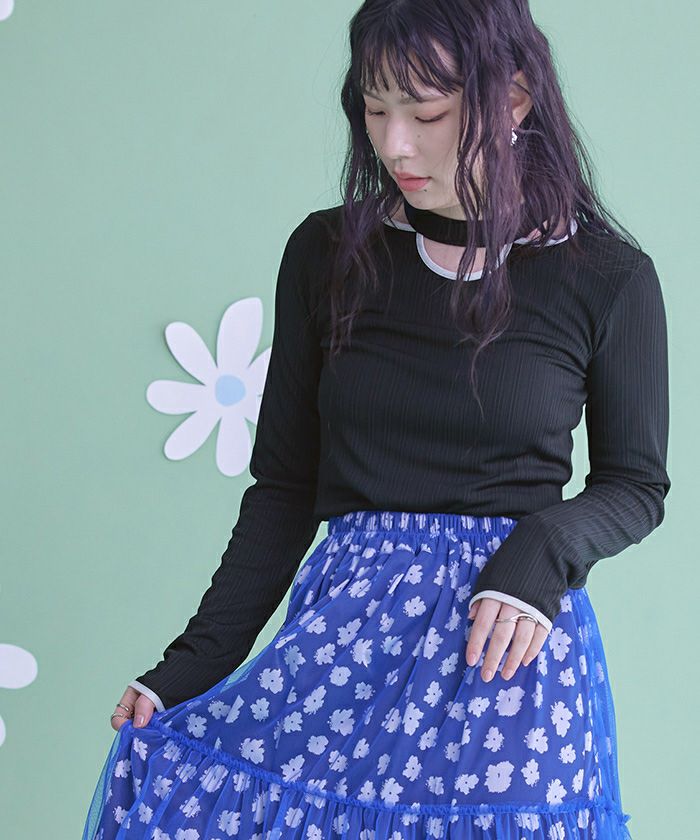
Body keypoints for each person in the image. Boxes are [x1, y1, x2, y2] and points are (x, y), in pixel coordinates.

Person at [82, 1, 670, 837]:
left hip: (504, 662)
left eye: (426, 114)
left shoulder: (606, 276)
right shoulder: (327, 255)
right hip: (340, 654)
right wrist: (191, 666)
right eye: (374, 107)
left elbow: (635, 484)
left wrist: (543, 550)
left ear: (513, 98)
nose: (394, 145)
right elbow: (285, 487)